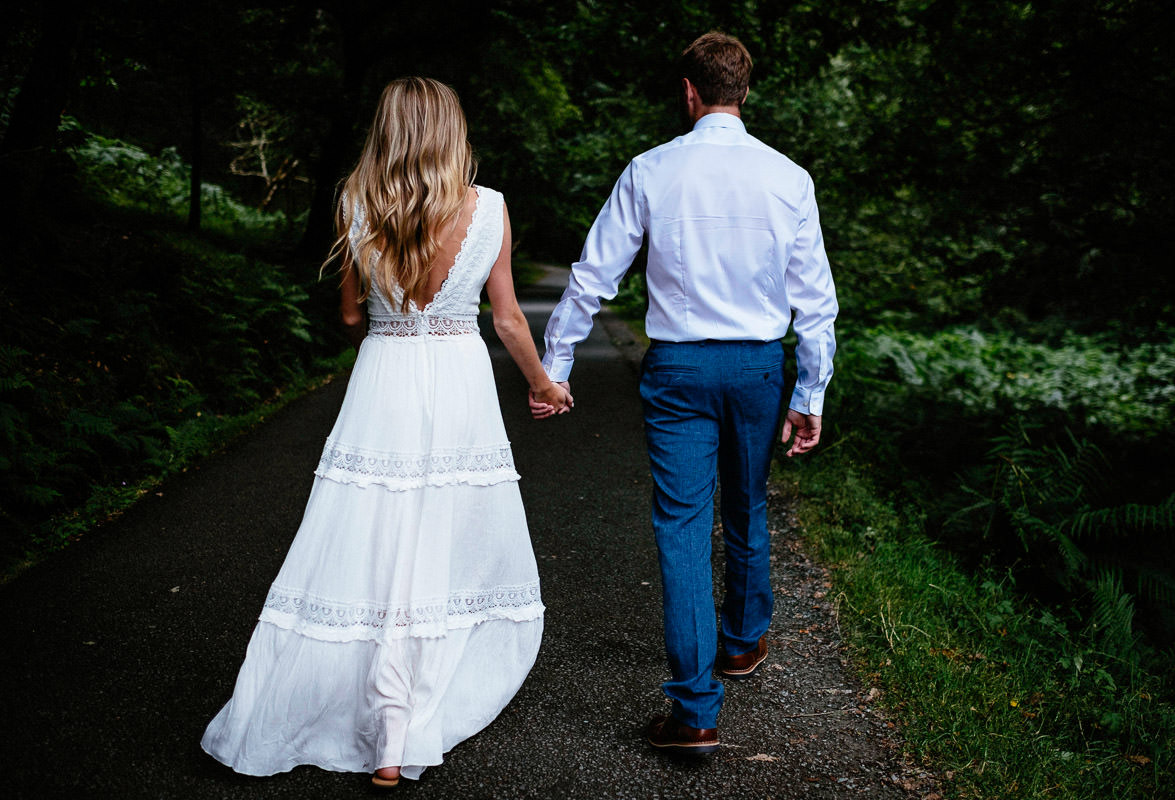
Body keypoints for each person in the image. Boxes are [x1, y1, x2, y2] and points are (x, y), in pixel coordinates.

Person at [202, 77, 571, 789]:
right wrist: (544, 385)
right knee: (436, 536)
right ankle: (399, 731)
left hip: (386, 377)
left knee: (370, 535)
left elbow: (347, 316)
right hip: (458, 380)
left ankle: (370, 719)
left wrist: (384, 312)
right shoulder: (488, 208)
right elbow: (507, 319)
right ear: (450, 133)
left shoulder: (354, 202)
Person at [539, 32, 837, 754]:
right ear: (745, 92)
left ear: (689, 91)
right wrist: (812, 391)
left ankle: (696, 711)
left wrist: (558, 363)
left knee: (681, 523)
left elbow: (592, 274)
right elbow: (816, 302)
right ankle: (741, 643)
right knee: (747, 499)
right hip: (760, 367)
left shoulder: (651, 169)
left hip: (677, 369)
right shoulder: (788, 176)